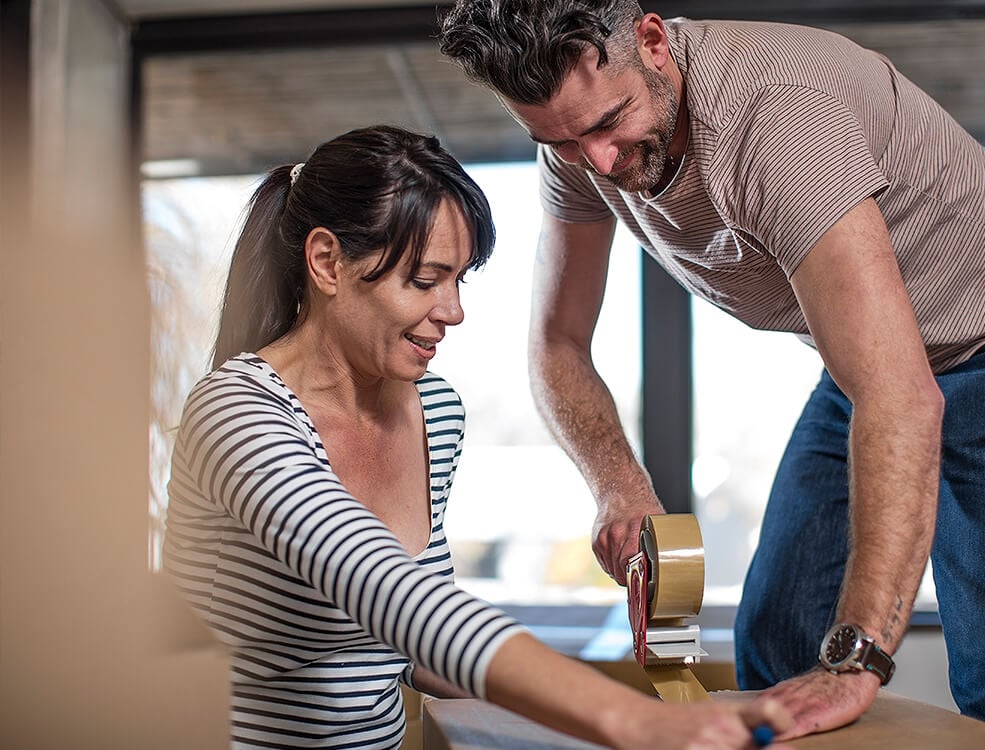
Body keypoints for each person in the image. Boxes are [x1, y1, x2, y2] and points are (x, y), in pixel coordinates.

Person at [438, 4, 985, 749]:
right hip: (870, 365)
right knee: (776, 637)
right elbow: (557, 343)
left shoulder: (777, 119)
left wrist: (859, 658)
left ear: (654, 44)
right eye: (558, 139)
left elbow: (902, 399)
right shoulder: (576, 145)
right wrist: (618, 485)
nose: (598, 162)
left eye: (608, 122)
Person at [162, 124, 789, 750]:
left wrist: (606, 702)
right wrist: (632, 721)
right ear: (328, 262)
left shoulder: (434, 410)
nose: (453, 310)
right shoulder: (237, 413)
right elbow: (387, 593)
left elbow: (421, 644)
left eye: (459, 279)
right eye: (424, 280)